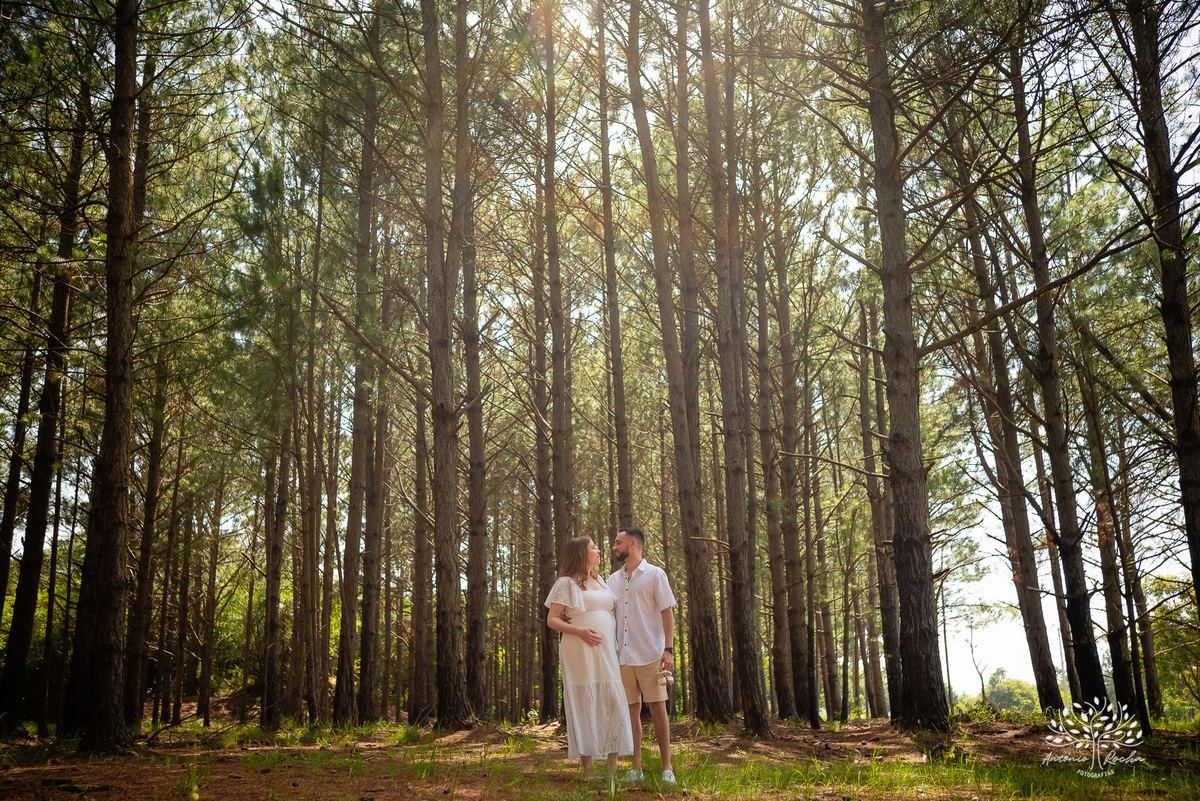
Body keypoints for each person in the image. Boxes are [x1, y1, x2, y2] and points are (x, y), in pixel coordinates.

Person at [545, 536, 634, 781]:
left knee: (613, 699)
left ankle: (612, 770)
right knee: (584, 702)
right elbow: (552, 619)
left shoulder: (599, 579)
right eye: (593, 547)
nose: (599, 550)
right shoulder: (566, 582)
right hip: (579, 649)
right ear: (581, 554)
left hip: (606, 650)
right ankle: (588, 770)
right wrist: (580, 631)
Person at [607, 527, 676, 785]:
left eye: (618, 542)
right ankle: (635, 767)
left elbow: (667, 612)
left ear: (632, 544)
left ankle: (667, 768)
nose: (614, 547)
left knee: (658, 707)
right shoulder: (612, 580)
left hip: (650, 654)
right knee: (631, 711)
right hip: (623, 656)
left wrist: (668, 650)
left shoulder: (655, 574)